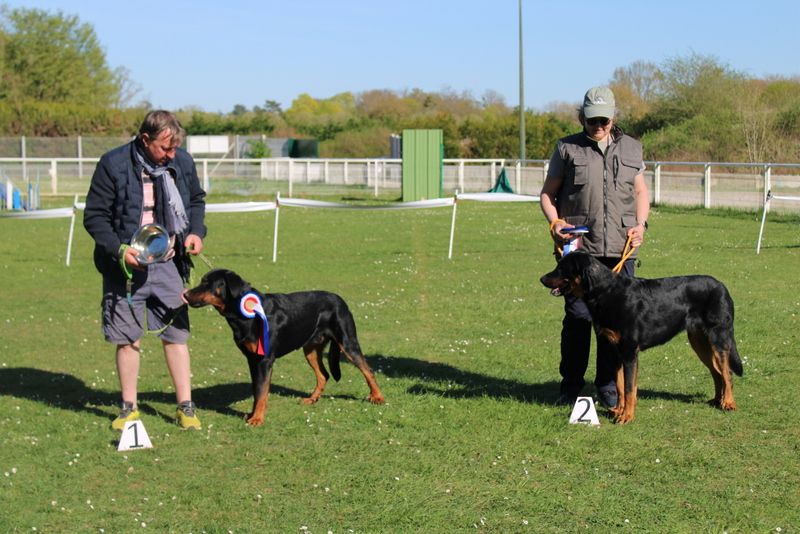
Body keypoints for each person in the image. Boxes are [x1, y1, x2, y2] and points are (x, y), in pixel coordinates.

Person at [84, 110, 207, 430]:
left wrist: (195, 232)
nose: (172, 154)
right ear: (144, 139)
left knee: (176, 335)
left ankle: (186, 407)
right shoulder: (113, 164)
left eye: (175, 147)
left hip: (169, 264)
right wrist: (119, 250)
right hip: (125, 267)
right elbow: (95, 216)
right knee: (127, 337)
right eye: (165, 148)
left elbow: (196, 200)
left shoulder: (182, 162)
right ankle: (129, 408)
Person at [539, 86, 650, 408]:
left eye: (604, 120)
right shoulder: (567, 148)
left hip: (620, 250)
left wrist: (641, 225)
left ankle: (608, 386)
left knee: (615, 325)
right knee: (578, 319)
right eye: (592, 120)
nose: (598, 126)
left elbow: (640, 192)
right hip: (580, 253)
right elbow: (547, 194)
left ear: (614, 118)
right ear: (581, 118)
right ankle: (571, 387)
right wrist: (555, 223)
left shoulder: (632, 148)